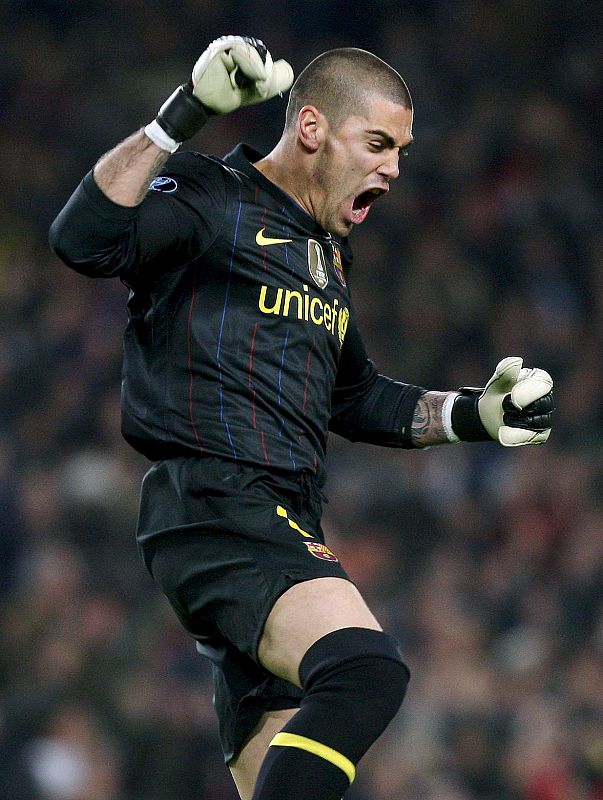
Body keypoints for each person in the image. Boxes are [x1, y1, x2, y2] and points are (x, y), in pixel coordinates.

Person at [49, 36, 554, 800]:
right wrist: (183, 115)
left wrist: (475, 415)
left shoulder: (326, 257)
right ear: (313, 129)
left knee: (281, 769)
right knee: (363, 672)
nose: (392, 167)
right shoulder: (209, 195)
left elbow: (354, 397)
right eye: (378, 143)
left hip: (275, 516)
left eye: (403, 151)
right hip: (218, 503)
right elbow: (82, 241)